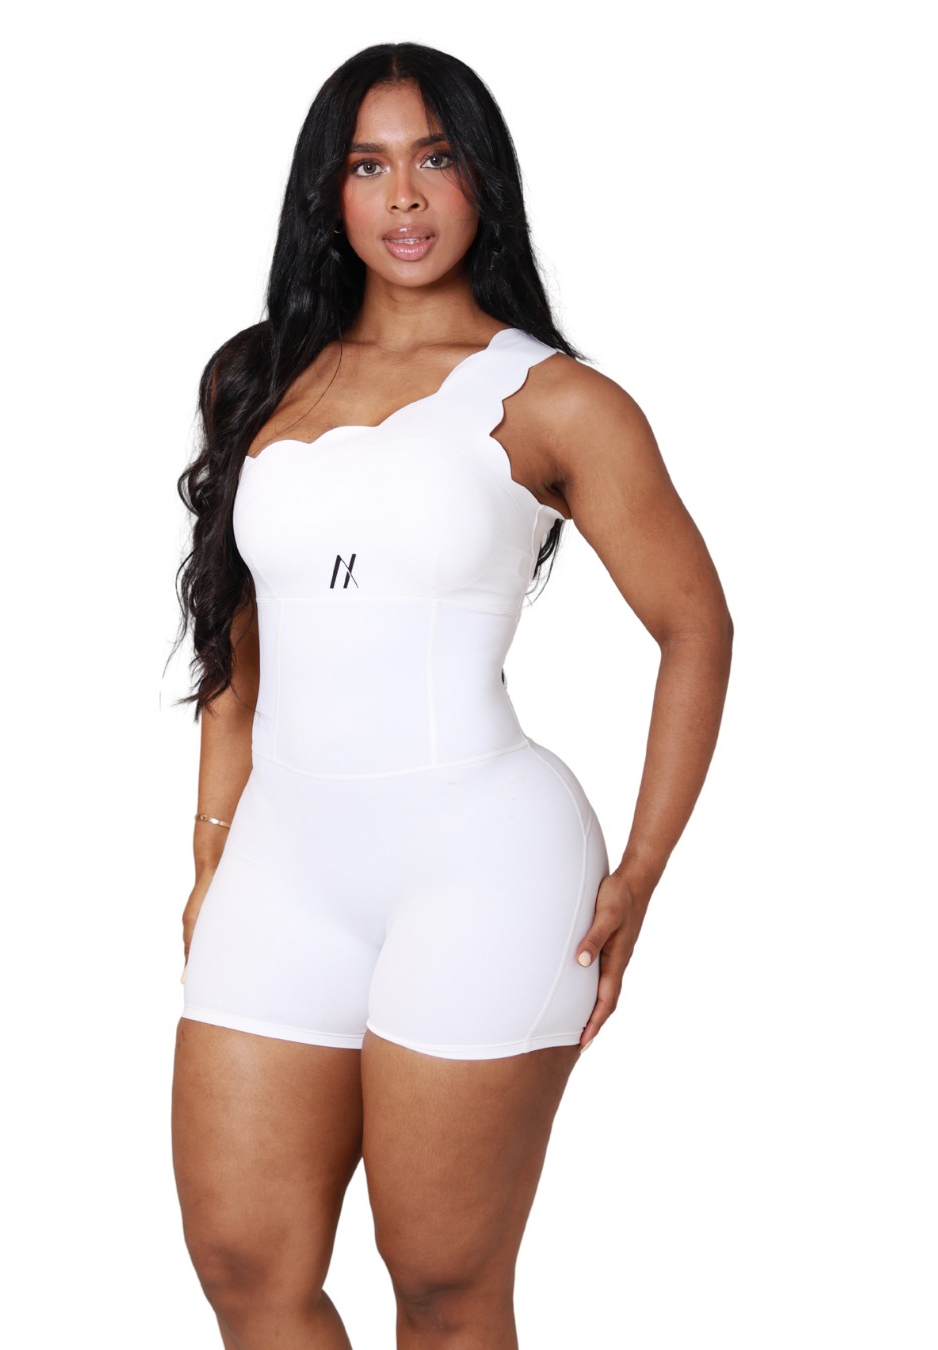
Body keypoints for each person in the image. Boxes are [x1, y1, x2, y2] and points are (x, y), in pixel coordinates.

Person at [169, 41, 733, 1350]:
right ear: (329, 191)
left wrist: (641, 873)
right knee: (246, 1263)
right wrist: (207, 858)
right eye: (369, 166)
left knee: (441, 1281)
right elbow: (236, 656)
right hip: (283, 862)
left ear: (484, 178)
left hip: (484, 864)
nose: (406, 197)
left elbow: (694, 625)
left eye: (435, 158)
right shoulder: (257, 378)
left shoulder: (559, 399)